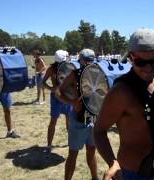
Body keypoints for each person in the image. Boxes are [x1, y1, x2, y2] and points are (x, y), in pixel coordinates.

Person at [93, 28, 154, 180]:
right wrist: (113, 163)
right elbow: (99, 130)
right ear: (131, 57)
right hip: (132, 174)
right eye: (141, 62)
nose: (148, 68)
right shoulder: (121, 92)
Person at [56, 48, 98, 180]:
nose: (87, 64)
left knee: (91, 152)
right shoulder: (75, 74)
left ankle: (95, 178)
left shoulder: (98, 74)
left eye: (90, 62)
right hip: (78, 120)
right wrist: (72, 102)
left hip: (93, 118)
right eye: (85, 61)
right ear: (81, 61)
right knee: (73, 153)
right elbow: (58, 91)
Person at [43, 50, 71, 152]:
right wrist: (52, 89)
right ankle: (49, 145)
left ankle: (70, 142)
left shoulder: (69, 67)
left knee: (69, 121)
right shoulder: (51, 69)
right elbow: (43, 82)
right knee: (53, 121)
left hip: (68, 97)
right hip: (56, 99)